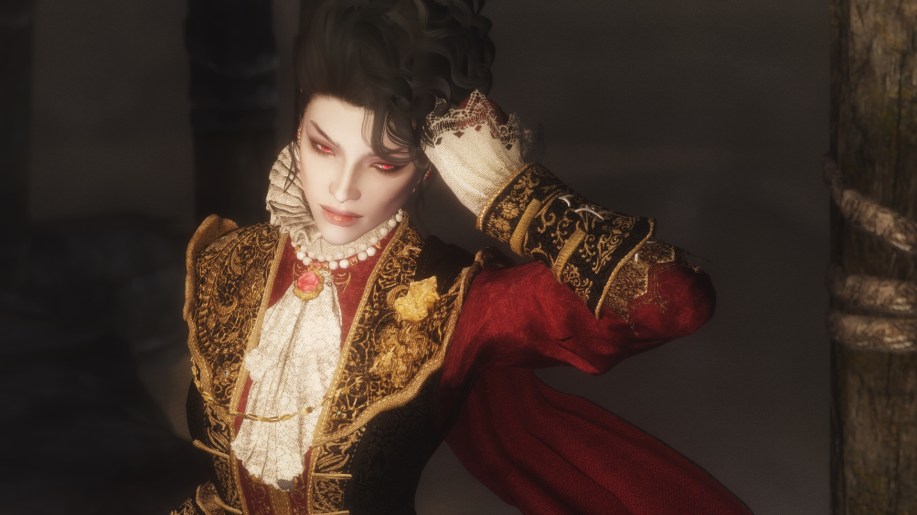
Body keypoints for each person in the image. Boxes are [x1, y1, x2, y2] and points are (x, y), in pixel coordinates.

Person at [173, 0, 752, 513]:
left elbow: (672, 302)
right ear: (298, 128)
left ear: (426, 169)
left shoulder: (459, 302)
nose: (342, 190)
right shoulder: (229, 261)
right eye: (323, 147)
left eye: (384, 163)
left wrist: (519, 198)